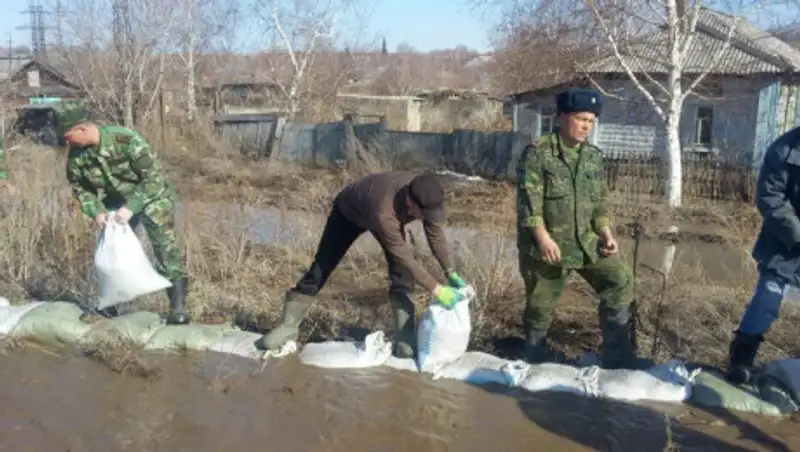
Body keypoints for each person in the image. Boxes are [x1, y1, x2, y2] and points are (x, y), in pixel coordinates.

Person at [259, 171, 469, 358]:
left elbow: (436, 236)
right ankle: (288, 326)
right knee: (321, 267)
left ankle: (404, 338)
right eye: (424, 215)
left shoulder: (426, 196)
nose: (428, 218)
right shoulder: (384, 210)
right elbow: (404, 256)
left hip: (382, 216)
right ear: (410, 203)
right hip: (349, 214)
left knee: (401, 274)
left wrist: (450, 270)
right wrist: (437, 288)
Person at [515, 87, 642, 369]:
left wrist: (607, 234)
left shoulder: (593, 156)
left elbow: (599, 203)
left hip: (585, 242)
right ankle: (535, 360)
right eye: (581, 118)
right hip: (547, 248)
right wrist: (543, 238)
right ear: (561, 117)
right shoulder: (539, 153)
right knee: (540, 307)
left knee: (620, 280)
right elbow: (528, 204)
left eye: (591, 121)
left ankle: (617, 356)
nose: (586, 126)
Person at [53, 100, 190, 325]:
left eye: (67, 136)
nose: (65, 142)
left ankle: (177, 307)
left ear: (82, 128)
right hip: (116, 203)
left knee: (164, 248)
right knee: (111, 251)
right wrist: (96, 212)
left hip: (152, 197)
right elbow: (81, 189)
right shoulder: (77, 157)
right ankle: (111, 305)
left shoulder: (126, 140)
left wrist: (131, 207)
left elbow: (153, 179)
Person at [727, 125, 800, 384]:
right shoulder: (785, 149)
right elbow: (771, 198)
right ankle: (741, 359)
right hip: (784, 244)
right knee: (767, 301)